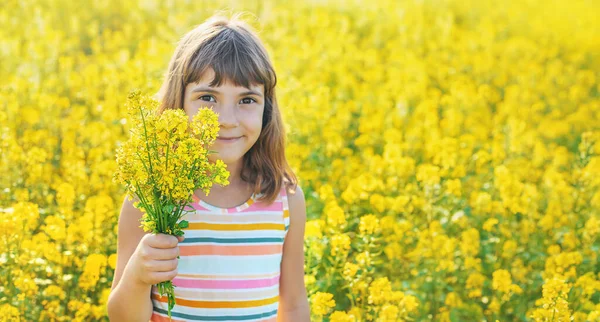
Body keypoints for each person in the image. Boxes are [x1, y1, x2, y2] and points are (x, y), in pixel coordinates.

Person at [107, 13, 310, 322]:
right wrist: (137, 275)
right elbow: (122, 317)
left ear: (267, 109)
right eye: (207, 97)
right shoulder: (151, 200)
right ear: (179, 104)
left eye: (246, 100)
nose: (226, 119)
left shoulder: (284, 200)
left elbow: (294, 306)